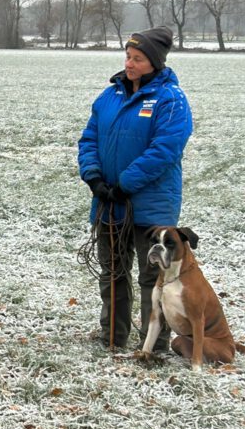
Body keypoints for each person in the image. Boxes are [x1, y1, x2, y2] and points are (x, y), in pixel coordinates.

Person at [78, 26, 193, 350]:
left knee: (151, 277)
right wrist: (94, 178)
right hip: (109, 203)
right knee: (112, 272)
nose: (129, 64)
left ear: (155, 63)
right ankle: (112, 337)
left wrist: (126, 184)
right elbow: (89, 138)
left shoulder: (171, 100)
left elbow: (165, 149)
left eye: (138, 59)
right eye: (128, 56)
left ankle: (153, 346)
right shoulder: (108, 96)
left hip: (151, 207)